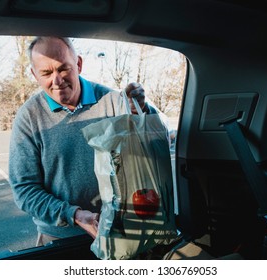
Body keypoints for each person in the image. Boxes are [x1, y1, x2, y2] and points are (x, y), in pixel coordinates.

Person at [9, 37, 157, 246]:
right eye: (46, 73)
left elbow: (149, 147)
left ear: (78, 64)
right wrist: (75, 215)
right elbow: (24, 189)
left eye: (63, 69)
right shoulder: (29, 117)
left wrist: (141, 112)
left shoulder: (113, 101)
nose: (57, 81)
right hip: (60, 238)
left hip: (119, 231)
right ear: (34, 74)